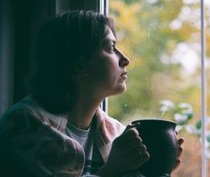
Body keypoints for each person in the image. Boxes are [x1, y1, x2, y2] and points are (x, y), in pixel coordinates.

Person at [0, 11, 183, 177]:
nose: (125, 60)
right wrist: (111, 171)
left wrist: (156, 171)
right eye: (110, 48)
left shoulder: (115, 134)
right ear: (78, 62)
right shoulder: (23, 125)